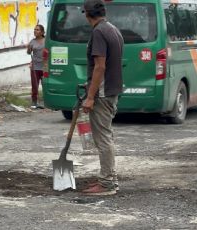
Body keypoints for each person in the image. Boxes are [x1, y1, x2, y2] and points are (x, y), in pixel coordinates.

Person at [81, 0, 124, 195]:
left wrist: (90, 96)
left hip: (103, 94)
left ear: (87, 14)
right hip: (111, 90)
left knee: (103, 139)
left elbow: (100, 66)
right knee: (106, 136)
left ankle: (107, 184)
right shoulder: (112, 29)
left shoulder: (98, 32)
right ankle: (109, 179)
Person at [27, 24, 46, 109]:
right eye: (35, 29)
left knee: (45, 84)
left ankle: (47, 102)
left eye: (37, 30)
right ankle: (34, 102)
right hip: (35, 67)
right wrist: (28, 48)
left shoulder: (46, 40)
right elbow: (28, 52)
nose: (35, 31)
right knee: (35, 85)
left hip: (45, 66)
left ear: (42, 32)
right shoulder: (32, 41)